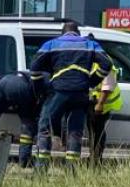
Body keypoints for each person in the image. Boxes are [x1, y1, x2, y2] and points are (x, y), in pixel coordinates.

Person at [29, 21, 113, 170]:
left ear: (62, 33)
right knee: (75, 131)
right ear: (78, 33)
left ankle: (41, 168)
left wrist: (39, 91)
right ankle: (72, 171)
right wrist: (91, 81)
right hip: (81, 93)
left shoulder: (51, 44)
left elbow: (34, 68)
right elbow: (106, 64)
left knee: (44, 127)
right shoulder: (89, 44)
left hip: (58, 92)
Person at [87, 62, 121, 164]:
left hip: (101, 104)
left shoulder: (104, 61)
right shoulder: (90, 60)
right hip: (91, 102)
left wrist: (100, 103)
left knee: (97, 131)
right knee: (92, 131)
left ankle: (96, 158)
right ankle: (93, 156)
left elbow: (107, 87)